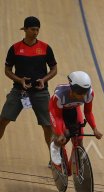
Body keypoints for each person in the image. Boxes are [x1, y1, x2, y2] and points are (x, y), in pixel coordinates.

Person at [1, 16, 57, 165]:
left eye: (38, 29)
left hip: (40, 92)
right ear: (25, 29)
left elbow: (54, 69)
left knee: (48, 126)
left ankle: (53, 158)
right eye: (32, 29)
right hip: (19, 92)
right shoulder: (15, 48)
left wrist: (44, 80)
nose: (35, 32)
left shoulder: (45, 48)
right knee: (3, 120)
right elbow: (7, 70)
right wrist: (19, 80)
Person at [49, 71, 103, 164]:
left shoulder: (89, 94)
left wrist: (95, 129)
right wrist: (60, 133)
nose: (82, 95)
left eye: (84, 92)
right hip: (57, 112)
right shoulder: (60, 96)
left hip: (73, 108)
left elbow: (88, 112)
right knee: (65, 135)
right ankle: (55, 147)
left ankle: (76, 164)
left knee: (79, 138)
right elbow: (57, 117)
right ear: (72, 89)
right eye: (80, 93)